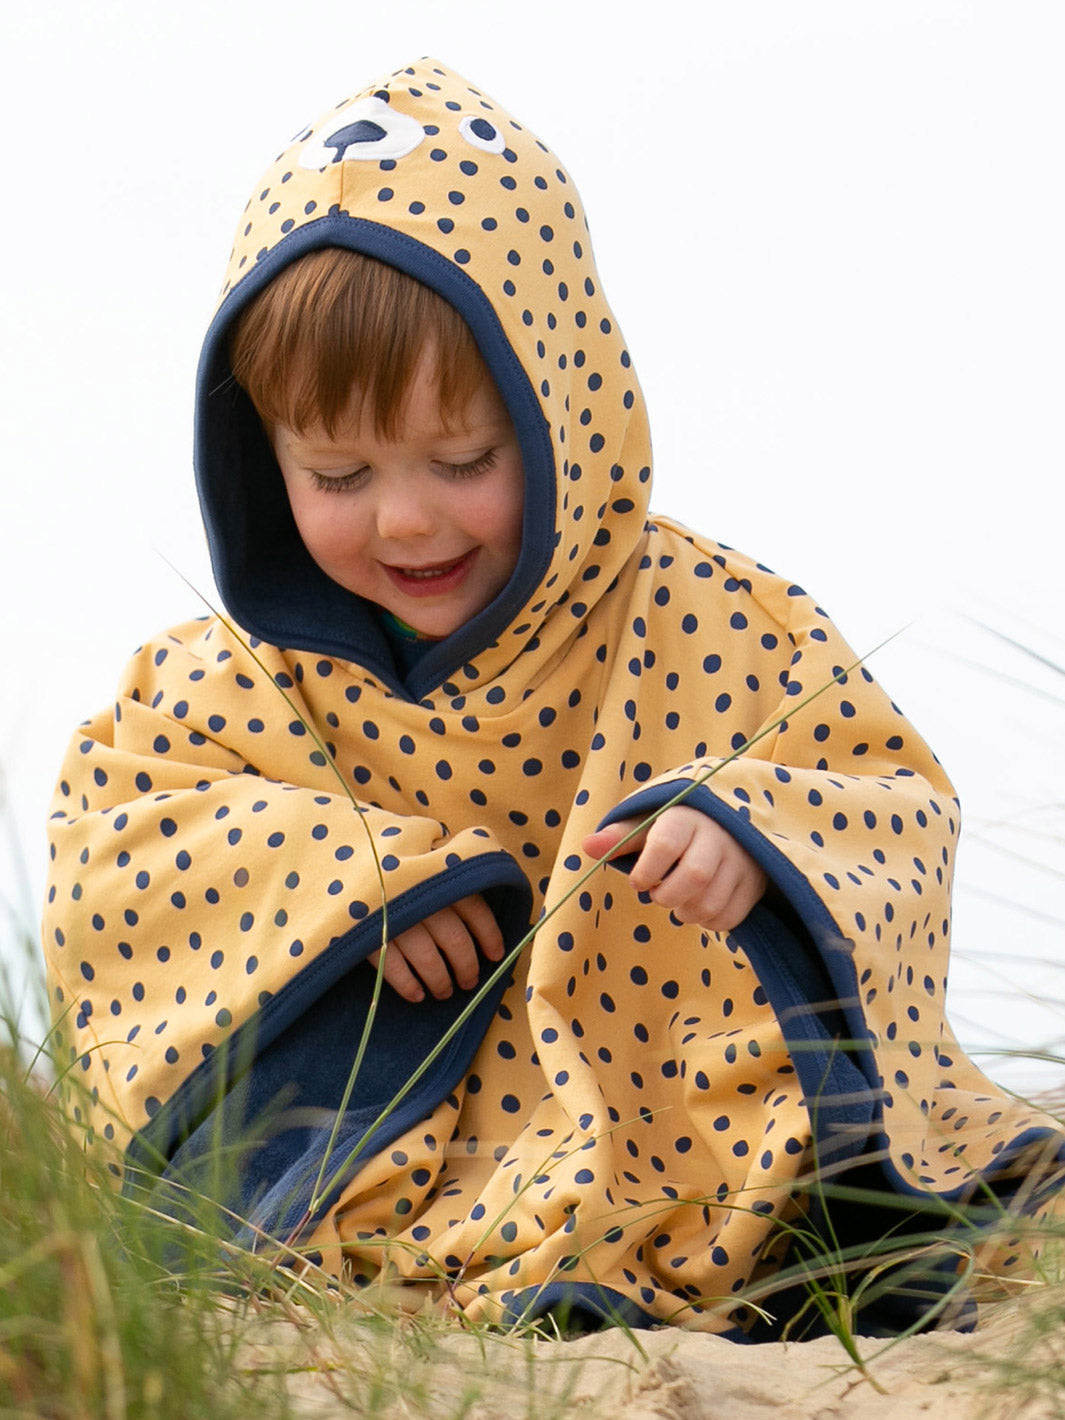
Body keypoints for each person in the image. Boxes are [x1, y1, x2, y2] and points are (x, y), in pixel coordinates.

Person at [42, 59, 1064, 1338]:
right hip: (398, 1138)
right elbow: (117, 837)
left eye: (463, 457)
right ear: (261, 453)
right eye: (338, 470)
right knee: (247, 1193)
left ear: (563, 407)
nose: (405, 518)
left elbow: (889, 802)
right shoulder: (232, 675)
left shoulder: (709, 620)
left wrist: (746, 832)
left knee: (814, 1164)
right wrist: (356, 890)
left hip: (668, 1107)